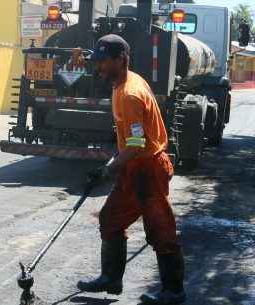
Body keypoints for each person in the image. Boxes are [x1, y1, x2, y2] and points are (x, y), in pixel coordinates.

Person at [78, 34, 185, 305]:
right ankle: (111, 278)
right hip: (133, 167)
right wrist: (115, 162)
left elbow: (137, 144)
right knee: (111, 219)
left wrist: (108, 168)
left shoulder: (130, 94)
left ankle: (173, 291)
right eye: (97, 61)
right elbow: (131, 138)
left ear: (121, 59)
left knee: (160, 229)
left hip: (147, 169)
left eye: (103, 61)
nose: (98, 66)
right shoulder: (122, 85)